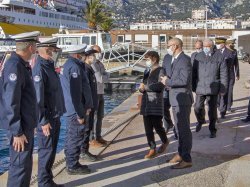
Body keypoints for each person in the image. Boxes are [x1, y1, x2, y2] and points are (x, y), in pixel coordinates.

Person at [0, 31, 40, 187]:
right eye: (35, 45)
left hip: (25, 125)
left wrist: (31, 124)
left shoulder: (21, 65)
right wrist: (17, 131)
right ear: (30, 47)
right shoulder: (15, 66)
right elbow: (11, 101)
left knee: (25, 166)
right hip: (19, 128)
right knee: (19, 168)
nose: (36, 49)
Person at [32, 38, 65, 187]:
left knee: (51, 150)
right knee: (46, 151)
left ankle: (48, 179)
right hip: (48, 118)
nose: (55, 52)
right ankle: (44, 183)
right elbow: (38, 98)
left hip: (55, 115)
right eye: (53, 49)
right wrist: (43, 121)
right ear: (47, 49)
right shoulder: (40, 68)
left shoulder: (49, 66)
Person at [60, 45, 93, 175]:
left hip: (72, 109)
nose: (84, 56)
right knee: (75, 137)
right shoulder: (74, 67)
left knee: (72, 136)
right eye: (83, 54)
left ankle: (73, 162)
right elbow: (75, 93)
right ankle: (72, 165)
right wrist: (80, 113)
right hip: (75, 111)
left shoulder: (70, 65)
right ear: (78, 55)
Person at [161, 38, 193, 169]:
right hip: (174, 98)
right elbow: (165, 72)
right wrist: (163, 78)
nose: (167, 48)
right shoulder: (171, 59)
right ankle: (180, 153)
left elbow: (183, 80)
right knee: (178, 129)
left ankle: (186, 159)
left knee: (183, 130)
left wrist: (167, 82)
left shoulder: (185, 60)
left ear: (176, 46)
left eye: (169, 46)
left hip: (183, 100)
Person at [192, 39, 228, 138]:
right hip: (200, 87)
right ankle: (201, 120)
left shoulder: (219, 56)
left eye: (207, 46)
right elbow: (194, 73)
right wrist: (193, 86)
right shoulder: (198, 56)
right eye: (204, 46)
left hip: (213, 88)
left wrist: (222, 89)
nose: (205, 48)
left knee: (212, 111)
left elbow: (224, 74)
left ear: (212, 46)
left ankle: (212, 129)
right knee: (197, 107)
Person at [139, 51, 169, 159]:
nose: (146, 61)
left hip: (156, 102)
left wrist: (146, 88)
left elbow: (161, 85)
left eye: (148, 59)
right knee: (147, 128)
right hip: (146, 102)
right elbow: (143, 84)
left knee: (157, 126)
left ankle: (165, 141)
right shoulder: (146, 71)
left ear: (154, 59)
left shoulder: (161, 70)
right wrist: (141, 88)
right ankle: (152, 148)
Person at [80, 47, 99, 162]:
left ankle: (85, 150)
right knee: (86, 129)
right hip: (88, 106)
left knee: (89, 127)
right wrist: (87, 106)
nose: (95, 58)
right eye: (93, 56)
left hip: (91, 104)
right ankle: (83, 151)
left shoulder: (89, 68)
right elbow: (84, 90)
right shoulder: (85, 69)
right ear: (87, 57)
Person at [90, 45, 110, 147]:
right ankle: (92, 138)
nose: (100, 54)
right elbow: (101, 79)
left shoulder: (100, 64)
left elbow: (106, 75)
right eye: (97, 52)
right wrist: (105, 76)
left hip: (101, 92)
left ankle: (98, 136)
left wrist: (105, 76)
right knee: (94, 117)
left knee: (100, 116)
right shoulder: (92, 65)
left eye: (100, 52)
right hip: (95, 93)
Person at [216, 37, 234, 119]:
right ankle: (219, 106)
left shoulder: (230, 53)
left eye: (219, 43)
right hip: (217, 76)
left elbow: (231, 65)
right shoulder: (215, 52)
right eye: (217, 43)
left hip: (226, 76)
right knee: (218, 94)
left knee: (224, 94)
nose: (218, 45)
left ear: (223, 44)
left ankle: (223, 111)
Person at [162, 53, 176, 137]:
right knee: (164, 107)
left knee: (176, 110)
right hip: (166, 87)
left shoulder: (183, 59)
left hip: (175, 87)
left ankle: (176, 130)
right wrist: (162, 77)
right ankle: (168, 124)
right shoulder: (166, 57)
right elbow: (163, 69)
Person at [225, 38, 240, 112]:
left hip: (231, 74)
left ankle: (229, 107)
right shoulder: (223, 51)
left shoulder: (234, 51)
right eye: (232, 43)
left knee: (230, 91)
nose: (233, 45)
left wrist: (237, 74)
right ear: (228, 44)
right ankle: (222, 106)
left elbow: (236, 63)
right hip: (223, 74)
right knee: (224, 90)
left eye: (234, 43)